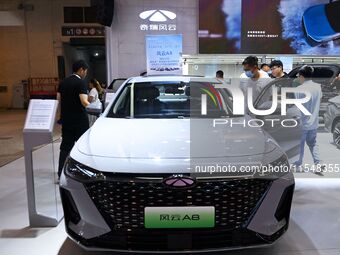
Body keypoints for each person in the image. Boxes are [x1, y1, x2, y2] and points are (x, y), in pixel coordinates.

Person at [57, 60, 90, 178]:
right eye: (85, 71)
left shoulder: (63, 82)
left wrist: (61, 117)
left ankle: (60, 173)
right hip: (79, 120)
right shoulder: (80, 83)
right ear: (81, 70)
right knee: (82, 147)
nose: (85, 73)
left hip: (66, 120)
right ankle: (83, 173)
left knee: (65, 146)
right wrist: (94, 104)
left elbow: (59, 101)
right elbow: (84, 102)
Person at [293, 65, 324, 171]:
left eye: (298, 76)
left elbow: (298, 106)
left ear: (301, 76)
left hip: (302, 122)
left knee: (299, 145)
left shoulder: (298, 89)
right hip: (314, 122)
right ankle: (318, 163)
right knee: (313, 143)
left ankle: (298, 165)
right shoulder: (318, 87)